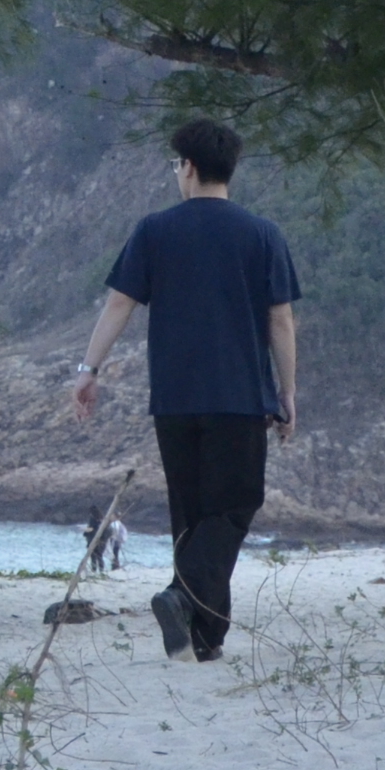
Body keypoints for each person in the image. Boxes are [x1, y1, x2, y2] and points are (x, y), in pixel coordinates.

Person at [70, 118, 300, 663]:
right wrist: (288, 392)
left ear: (189, 168)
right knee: (236, 505)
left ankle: (203, 636)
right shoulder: (262, 234)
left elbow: (119, 304)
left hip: (173, 400)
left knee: (191, 515)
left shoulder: (154, 230)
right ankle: (181, 598)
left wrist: (89, 369)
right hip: (240, 398)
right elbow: (281, 320)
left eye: (176, 164)